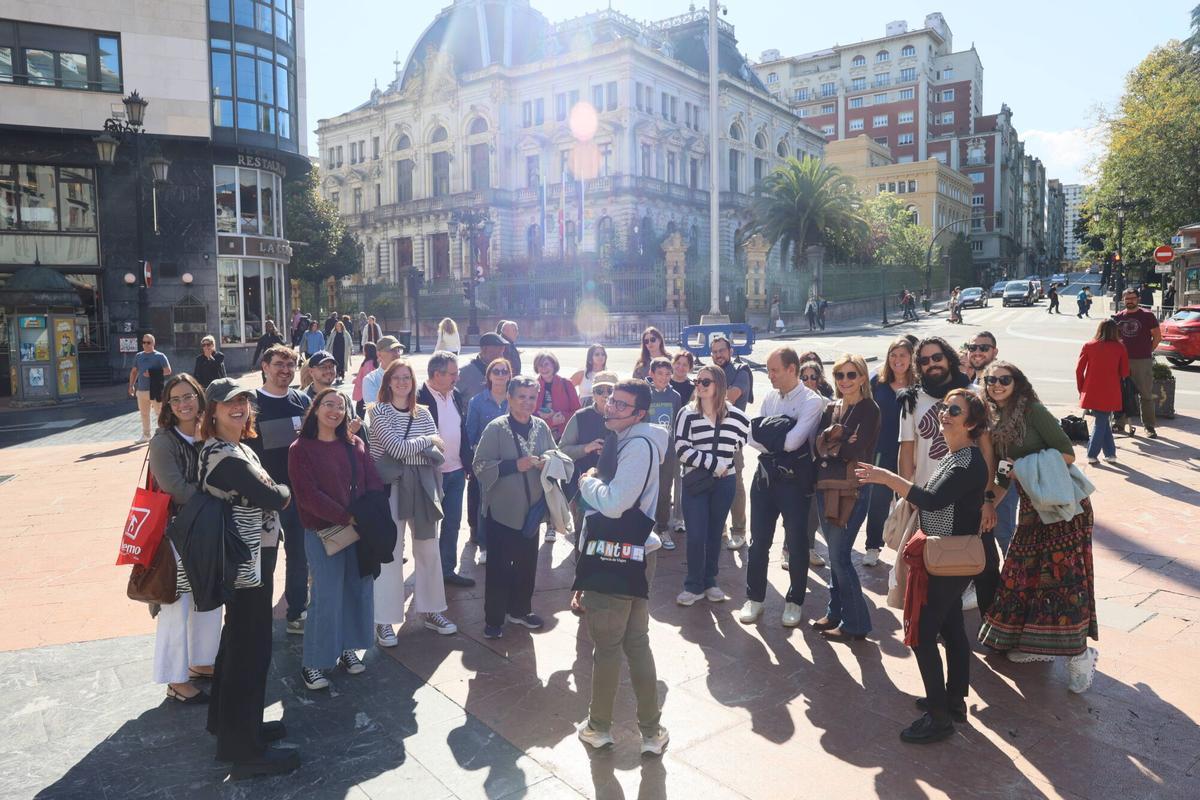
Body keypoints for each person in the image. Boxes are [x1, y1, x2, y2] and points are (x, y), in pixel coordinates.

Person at [855, 388, 990, 744]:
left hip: (948, 559)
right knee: (952, 628)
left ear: (972, 423)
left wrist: (887, 478)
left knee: (923, 634)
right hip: (943, 555)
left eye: (955, 410)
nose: (945, 413)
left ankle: (939, 716)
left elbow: (931, 500)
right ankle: (952, 701)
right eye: (945, 407)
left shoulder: (968, 461)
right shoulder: (954, 455)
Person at [978, 361, 1099, 693]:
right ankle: (1037, 645)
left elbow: (1067, 453)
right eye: (991, 380)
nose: (997, 385)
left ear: (1017, 383)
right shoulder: (995, 421)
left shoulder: (1032, 411)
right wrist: (990, 504)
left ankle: (1081, 657)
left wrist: (1025, 467)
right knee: (1024, 575)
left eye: (1004, 379)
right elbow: (1004, 473)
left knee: (1064, 581)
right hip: (1032, 510)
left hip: (1063, 507)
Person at [198, 378, 297, 778]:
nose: (239, 408)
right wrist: (283, 488)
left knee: (238, 641)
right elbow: (274, 496)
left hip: (252, 558)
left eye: (243, 402)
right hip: (247, 563)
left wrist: (274, 487)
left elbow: (266, 491)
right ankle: (243, 749)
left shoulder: (235, 447)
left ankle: (230, 725)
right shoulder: (225, 455)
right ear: (213, 412)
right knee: (249, 648)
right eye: (229, 403)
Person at [573, 379, 670, 756]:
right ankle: (651, 731)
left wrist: (586, 483)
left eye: (621, 404)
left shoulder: (637, 445)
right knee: (635, 642)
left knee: (609, 647)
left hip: (618, 556)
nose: (611, 407)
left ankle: (599, 727)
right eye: (610, 400)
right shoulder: (632, 440)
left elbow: (614, 503)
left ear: (639, 413)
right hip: (636, 555)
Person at [288, 388, 380, 691]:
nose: (335, 411)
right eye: (328, 405)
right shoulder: (300, 448)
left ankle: (346, 648)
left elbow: (370, 482)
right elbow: (307, 495)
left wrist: (368, 516)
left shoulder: (354, 444)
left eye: (340, 407)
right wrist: (346, 516)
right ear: (315, 409)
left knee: (355, 589)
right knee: (326, 596)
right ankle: (313, 662)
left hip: (357, 530)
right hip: (322, 532)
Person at [368, 359, 458, 644]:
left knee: (428, 550)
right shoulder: (378, 411)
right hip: (390, 489)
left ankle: (432, 611)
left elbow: (438, 451)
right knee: (391, 553)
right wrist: (427, 440)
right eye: (396, 377)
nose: (402, 382)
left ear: (413, 381)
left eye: (406, 377)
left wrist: (422, 445)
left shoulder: (424, 412)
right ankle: (384, 620)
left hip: (422, 486)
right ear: (388, 382)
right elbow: (395, 448)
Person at [148, 373, 221, 704]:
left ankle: (201, 661)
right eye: (175, 400)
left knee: (208, 596)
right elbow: (174, 488)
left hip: (208, 529)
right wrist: (218, 499)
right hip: (177, 533)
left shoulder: (209, 433)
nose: (183, 404)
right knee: (176, 604)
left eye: (188, 396)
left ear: (199, 396)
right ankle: (175, 679)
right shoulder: (163, 441)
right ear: (167, 406)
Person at [473, 376, 563, 638]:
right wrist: (513, 465)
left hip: (533, 511)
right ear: (509, 398)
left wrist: (547, 460)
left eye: (532, 397)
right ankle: (494, 618)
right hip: (502, 512)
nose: (527, 402)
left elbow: (556, 455)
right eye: (521, 397)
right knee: (499, 567)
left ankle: (520, 610)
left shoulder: (542, 427)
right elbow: (479, 466)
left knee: (527, 564)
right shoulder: (496, 428)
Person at [740, 347, 824, 626]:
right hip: (764, 477)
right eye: (768, 369)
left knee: (797, 543)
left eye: (774, 370)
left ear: (792, 369)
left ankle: (794, 601)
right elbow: (751, 437)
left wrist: (770, 432)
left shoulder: (812, 401)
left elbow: (793, 442)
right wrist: (782, 428)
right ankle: (755, 599)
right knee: (758, 541)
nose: (770, 375)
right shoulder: (769, 397)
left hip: (795, 482)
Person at [810, 354, 880, 642]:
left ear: (863, 377)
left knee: (839, 557)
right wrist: (837, 439)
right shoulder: (832, 407)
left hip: (854, 489)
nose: (845, 381)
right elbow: (817, 444)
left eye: (851, 375)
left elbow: (855, 449)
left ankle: (857, 623)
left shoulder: (869, 409)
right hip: (826, 486)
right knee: (835, 555)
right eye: (840, 375)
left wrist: (834, 442)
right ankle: (835, 612)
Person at [247, 345, 311, 635]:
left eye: (291, 364)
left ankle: (297, 612)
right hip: (263, 497)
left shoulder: (301, 400)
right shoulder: (250, 403)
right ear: (264, 366)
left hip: (298, 495)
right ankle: (258, 616)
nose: (285, 370)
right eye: (279, 364)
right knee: (263, 559)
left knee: (299, 555)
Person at [674, 365, 750, 606]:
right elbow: (681, 449)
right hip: (696, 481)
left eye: (705, 382)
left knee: (715, 533)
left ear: (719, 384)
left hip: (724, 483)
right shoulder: (687, 413)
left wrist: (724, 464)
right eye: (698, 381)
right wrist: (714, 463)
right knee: (696, 534)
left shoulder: (736, 416)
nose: (700, 385)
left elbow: (743, 439)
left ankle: (710, 581)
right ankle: (693, 584)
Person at [417, 351, 475, 587]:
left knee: (452, 523)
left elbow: (462, 430)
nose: (457, 378)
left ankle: (446, 571)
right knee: (429, 528)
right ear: (437, 374)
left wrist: (467, 463)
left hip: (456, 471)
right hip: (430, 473)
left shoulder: (456, 395)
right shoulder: (418, 398)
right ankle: (428, 576)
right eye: (453, 374)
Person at [863, 338, 917, 567]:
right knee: (877, 501)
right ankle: (873, 546)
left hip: (910, 452)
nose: (898, 360)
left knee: (911, 500)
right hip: (882, 451)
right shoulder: (878, 383)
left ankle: (910, 547)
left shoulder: (919, 386)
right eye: (893, 355)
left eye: (903, 355)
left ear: (911, 358)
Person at [465, 358, 513, 565]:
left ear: (509, 375)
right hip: (486, 460)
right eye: (497, 371)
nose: (501, 375)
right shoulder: (477, 401)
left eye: (504, 371)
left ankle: (505, 543)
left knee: (510, 502)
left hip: (511, 458)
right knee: (485, 504)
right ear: (489, 375)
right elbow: (470, 433)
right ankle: (484, 546)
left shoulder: (514, 399)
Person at [559, 370, 618, 540]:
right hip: (583, 484)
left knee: (610, 536)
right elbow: (562, 450)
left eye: (610, 390)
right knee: (583, 536)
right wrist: (587, 448)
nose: (605, 395)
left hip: (615, 485)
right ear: (593, 393)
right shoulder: (581, 417)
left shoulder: (623, 417)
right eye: (600, 390)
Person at [710, 334, 752, 549]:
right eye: (715, 351)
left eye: (722, 350)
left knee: (735, 485)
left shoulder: (741, 370)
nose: (718, 355)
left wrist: (707, 397)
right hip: (708, 438)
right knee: (713, 484)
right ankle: (720, 528)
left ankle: (739, 530)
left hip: (732, 438)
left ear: (730, 351)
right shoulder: (709, 373)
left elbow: (731, 396)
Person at [1077, 320, 1129, 465]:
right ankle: (1109, 453)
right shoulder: (1120, 347)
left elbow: (1079, 370)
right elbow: (1124, 372)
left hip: (1091, 390)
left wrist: (1082, 388)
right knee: (1102, 421)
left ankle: (1093, 453)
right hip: (1111, 390)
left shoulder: (1089, 346)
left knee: (1101, 421)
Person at [1112, 287, 1162, 439]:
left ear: (1138, 299)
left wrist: (1148, 351)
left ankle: (1149, 426)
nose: (1130, 301)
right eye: (1127, 299)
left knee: (1146, 394)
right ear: (1123, 300)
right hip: (1122, 362)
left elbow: (1157, 337)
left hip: (1142, 361)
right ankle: (1119, 423)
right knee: (1119, 393)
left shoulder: (1147, 316)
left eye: (1132, 298)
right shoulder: (1118, 317)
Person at [646, 357, 682, 550]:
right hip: (647, 450)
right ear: (651, 374)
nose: (664, 377)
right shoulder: (644, 393)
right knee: (645, 489)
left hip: (667, 451)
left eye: (668, 374)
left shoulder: (675, 396)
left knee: (664, 490)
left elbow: (677, 424)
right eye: (660, 373)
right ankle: (645, 527)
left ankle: (662, 527)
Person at [129, 333, 172, 444]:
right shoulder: (139, 356)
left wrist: (153, 373)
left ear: (153, 343)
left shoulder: (160, 356)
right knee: (144, 414)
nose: (146, 344)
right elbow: (134, 372)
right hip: (141, 390)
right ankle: (146, 435)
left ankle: (163, 434)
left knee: (159, 413)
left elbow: (168, 370)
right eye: (143, 342)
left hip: (155, 390)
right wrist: (131, 385)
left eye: (148, 342)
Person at [533, 350, 582, 443]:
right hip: (539, 436)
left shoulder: (567, 384)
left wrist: (560, 415)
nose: (544, 368)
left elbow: (578, 413)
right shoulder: (533, 386)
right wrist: (551, 421)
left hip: (564, 437)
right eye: (540, 365)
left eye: (546, 364)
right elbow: (529, 415)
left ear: (553, 365)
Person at [361, 335, 404, 407]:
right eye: (392, 350)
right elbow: (373, 410)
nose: (397, 354)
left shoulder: (407, 376)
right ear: (379, 354)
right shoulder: (371, 380)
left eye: (398, 350)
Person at [351, 342, 378, 418]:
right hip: (366, 392)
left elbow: (367, 378)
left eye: (364, 349)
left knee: (359, 413)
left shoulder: (368, 363)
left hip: (363, 393)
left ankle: (360, 429)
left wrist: (358, 381)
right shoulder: (372, 362)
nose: (363, 350)